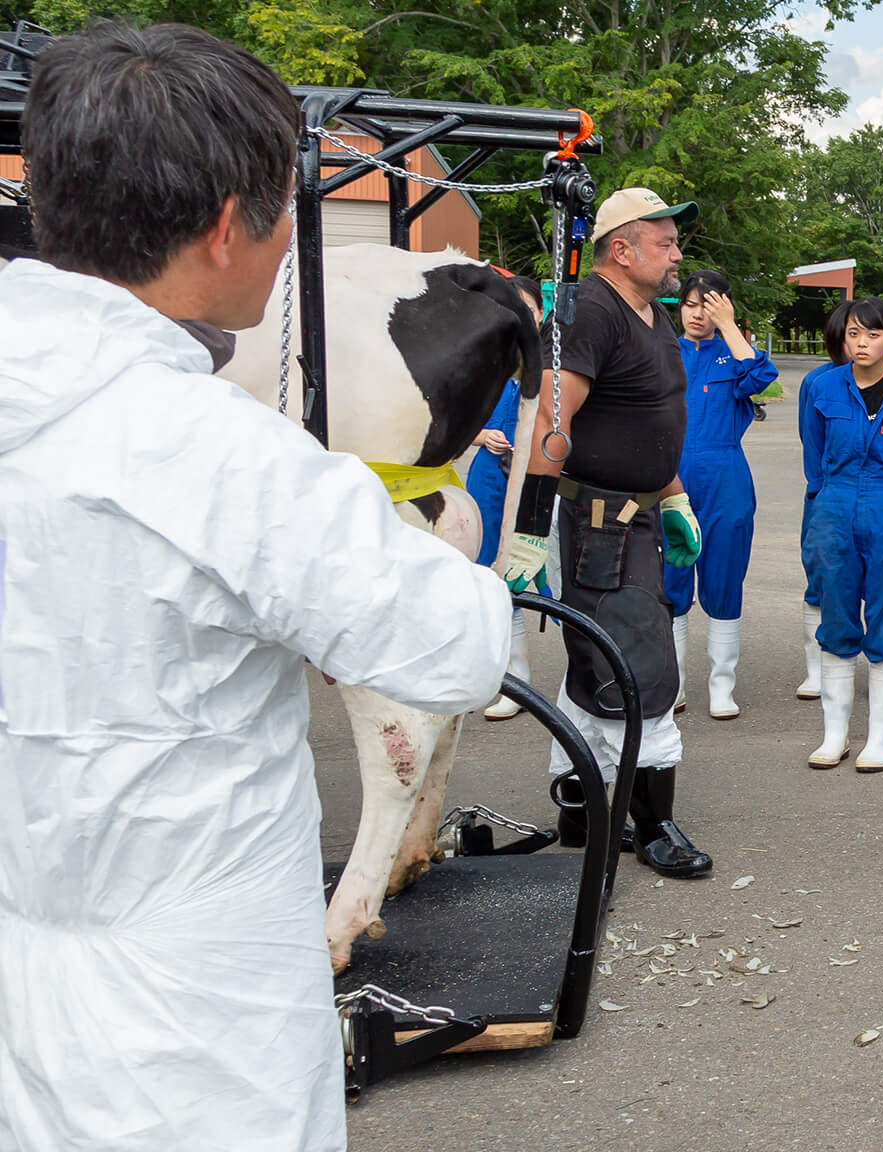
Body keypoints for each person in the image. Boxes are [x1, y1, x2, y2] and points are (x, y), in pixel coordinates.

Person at [0, 22, 512, 1147]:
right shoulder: (229, 458)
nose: (290, 246)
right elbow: (460, 648)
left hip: (26, 990)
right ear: (231, 227)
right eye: (287, 213)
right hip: (204, 1025)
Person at [500, 183, 715, 879]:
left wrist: (674, 495)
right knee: (638, 671)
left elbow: (651, 419)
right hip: (597, 523)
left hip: (640, 513)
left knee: (596, 662)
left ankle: (577, 808)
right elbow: (551, 425)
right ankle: (653, 827)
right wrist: (530, 528)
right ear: (620, 250)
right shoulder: (588, 311)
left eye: (676, 240)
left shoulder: (654, 315)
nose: (677, 252)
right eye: (665, 241)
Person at [799, 297, 883, 771]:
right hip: (833, 506)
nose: (862, 343)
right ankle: (834, 735)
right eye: (854, 334)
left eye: (873, 334)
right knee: (835, 614)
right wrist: (830, 501)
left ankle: (881, 736)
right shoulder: (822, 387)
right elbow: (813, 456)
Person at [666, 269, 778, 721]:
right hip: (668, 476)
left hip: (725, 475)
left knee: (725, 579)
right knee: (669, 582)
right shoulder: (662, 352)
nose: (698, 313)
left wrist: (730, 328)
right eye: (691, 304)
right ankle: (671, 684)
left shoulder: (734, 357)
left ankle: (721, 684)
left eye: (709, 305)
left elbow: (764, 379)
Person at [467, 275, 549, 723]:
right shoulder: (485, 361)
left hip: (540, 475)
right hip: (489, 476)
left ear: (540, 311)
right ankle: (514, 680)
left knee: (550, 565)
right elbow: (455, 419)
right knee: (495, 575)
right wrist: (482, 435)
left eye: (525, 307)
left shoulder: (558, 359)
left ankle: (586, 672)